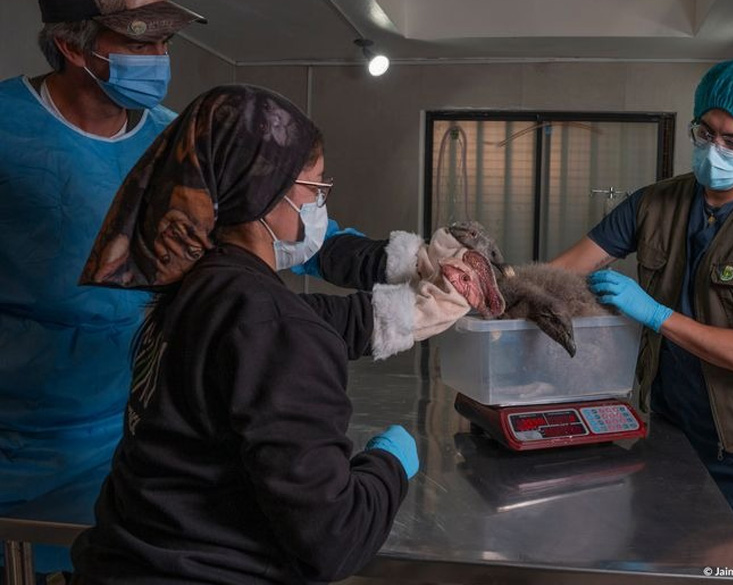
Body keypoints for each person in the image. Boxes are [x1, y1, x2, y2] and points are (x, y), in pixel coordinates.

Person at [70, 84, 478, 584]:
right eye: (314, 191)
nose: (320, 208)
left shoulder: (189, 289)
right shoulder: (266, 323)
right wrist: (388, 466)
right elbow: (336, 539)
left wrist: (407, 310)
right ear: (264, 195)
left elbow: (280, 326)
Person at [552, 58, 733, 580]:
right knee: (666, 558)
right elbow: (562, 272)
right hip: (672, 428)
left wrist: (655, 314)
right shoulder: (656, 203)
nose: (714, 148)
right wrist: (485, 282)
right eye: (706, 132)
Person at [0, 0, 206, 577]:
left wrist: (397, 263)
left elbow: (267, 221)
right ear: (71, 45)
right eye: (142, 40)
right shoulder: (9, 132)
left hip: (124, 431)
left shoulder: (172, 143)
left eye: (166, 39)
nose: (161, 57)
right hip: (16, 441)